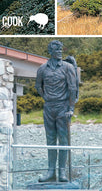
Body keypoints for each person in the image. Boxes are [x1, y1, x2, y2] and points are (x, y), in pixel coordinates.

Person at [35, 40, 78, 183]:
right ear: (50, 51)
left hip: (63, 107)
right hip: (49, 107)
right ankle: (51, 171)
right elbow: (38, 86)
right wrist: (47, 97)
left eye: (61, 49)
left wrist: (71, 108)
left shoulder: (68, 67)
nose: (60, 51)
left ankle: (62, 173)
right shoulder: (42, 68)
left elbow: (73, 88)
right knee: (50, 139)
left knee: (63, 140)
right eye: (56, 49)